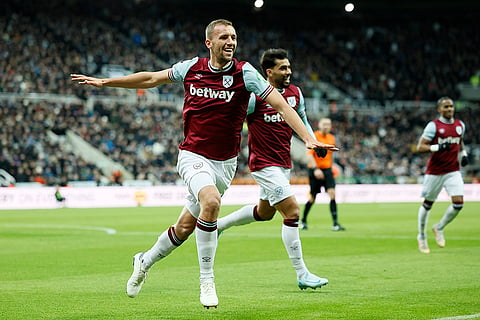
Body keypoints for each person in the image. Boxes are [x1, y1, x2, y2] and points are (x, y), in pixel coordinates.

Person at [71, 19, 335, 308]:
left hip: (225, 165)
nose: (230, 41)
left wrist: (307, 138)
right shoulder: (191, 68)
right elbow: (151, 79)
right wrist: (106, 82)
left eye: (234, 37)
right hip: (193, 155)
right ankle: (207, 281)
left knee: (184, 228)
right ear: (209, 43)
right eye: (223, 37)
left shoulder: (245, 73)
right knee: (210, 203)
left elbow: (282, 105)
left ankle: (144, 261)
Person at [217, 48, 335, 290]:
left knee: (264, 213)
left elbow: (302, 120)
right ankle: (302, 274)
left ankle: (219, 225)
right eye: (283, 68)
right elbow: (232, 121)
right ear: (269, 73)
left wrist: (313, 142)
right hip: (263, 163)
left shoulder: (296, 93)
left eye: (289, 67)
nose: (289, 71)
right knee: (292, 213)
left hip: (283, 164)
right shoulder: (254, 97)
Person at [415, 96, 468, 254]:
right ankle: (422, 236)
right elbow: (420, 147)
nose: (449, 109)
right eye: (446, 107)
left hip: (453, 170)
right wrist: (437, 147)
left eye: (451, 106)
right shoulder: (433, 126)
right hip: (435, 172)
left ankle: (439, 227)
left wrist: (463, 154)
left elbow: (460, 141)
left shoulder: (460, 125)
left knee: (458, 204)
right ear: (439, 109)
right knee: (428, 204)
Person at [301, 117, 345, 231]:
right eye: (324, 124)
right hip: (315, 170)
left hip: (327, 170)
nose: (326, 126)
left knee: (332, 194)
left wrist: (331, 166)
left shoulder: (331, 138)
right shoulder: (314, 137)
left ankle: (335, 224)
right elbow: (310, 154)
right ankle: (303, 221)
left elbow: (329, 155)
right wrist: (316, 169)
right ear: (319, 125)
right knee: (312, 197)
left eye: (328, 124)